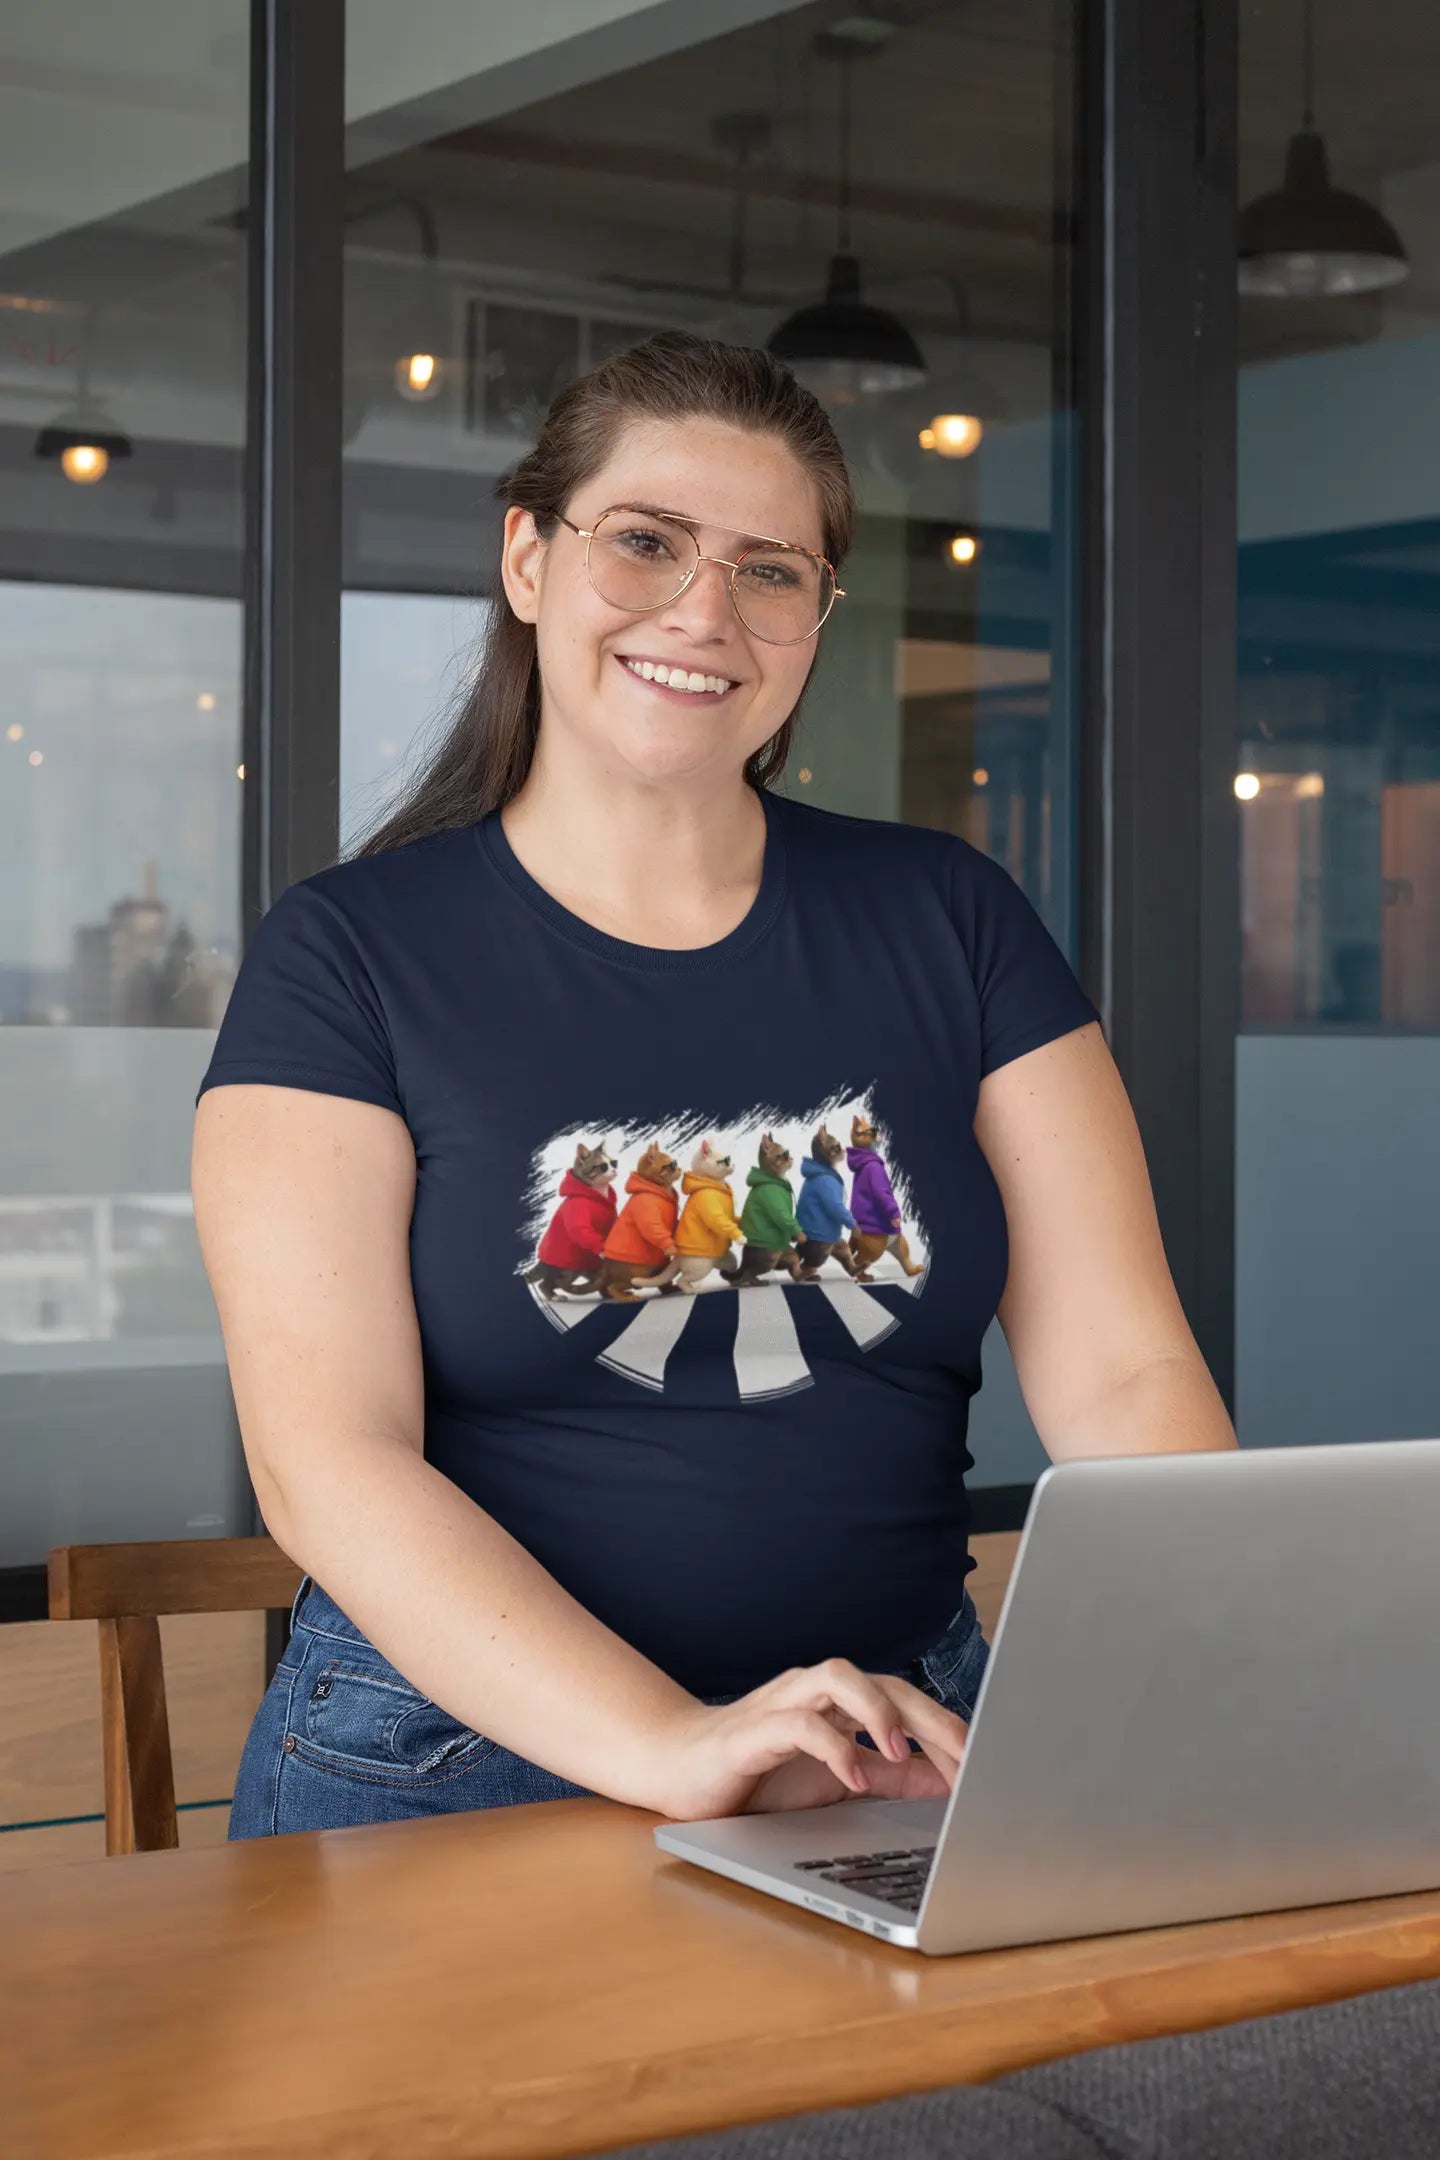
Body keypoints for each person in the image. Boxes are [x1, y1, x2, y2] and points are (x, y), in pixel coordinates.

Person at [193, 331, 1237, 1843]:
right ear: (529, 560)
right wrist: (676, 1745)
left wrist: (1239, 1656)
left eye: (770, 569)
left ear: (817, 613)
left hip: (896, 1732)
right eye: (646, 543)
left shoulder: (951, 917)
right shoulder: (350, 957)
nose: (705, 611)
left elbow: (1129, 1378)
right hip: (456, 1754)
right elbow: (328, 1462)